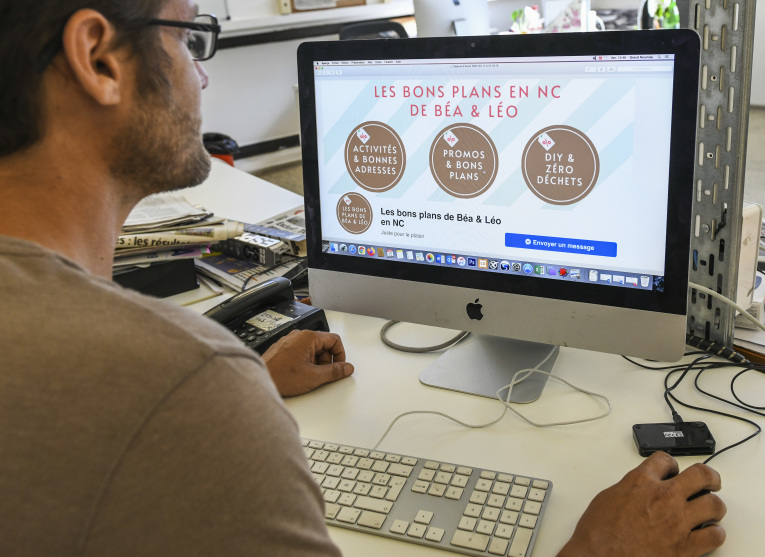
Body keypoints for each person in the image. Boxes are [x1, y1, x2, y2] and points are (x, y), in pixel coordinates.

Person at [0, 1, 727, 556]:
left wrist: (239, 384)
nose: (202, 73)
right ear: (98, 57)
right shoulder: (182, 385)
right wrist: (595, 551)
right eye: (190, 37)